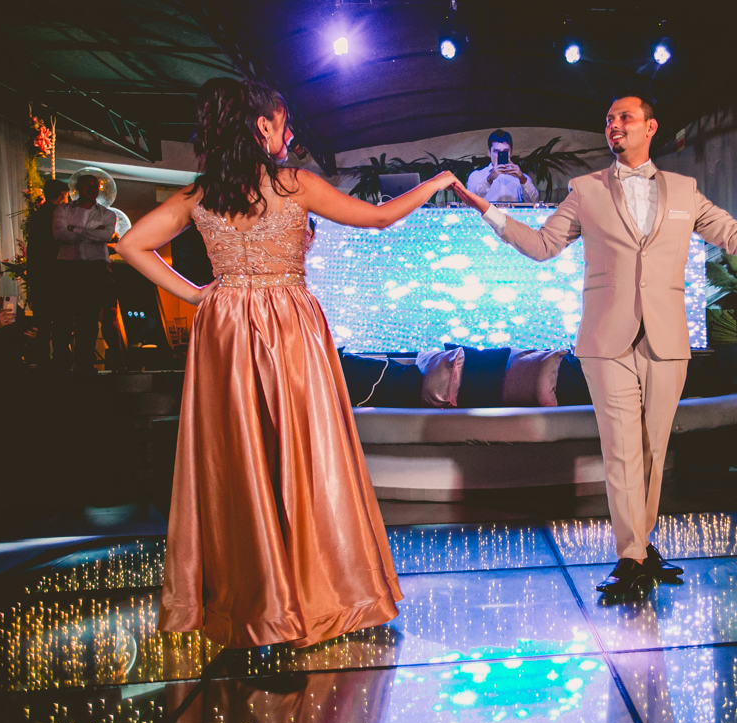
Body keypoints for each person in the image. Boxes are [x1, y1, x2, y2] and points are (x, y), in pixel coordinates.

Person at [454, 91, 737, 595]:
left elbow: (734, 235)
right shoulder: (585, 189)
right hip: (606, 339)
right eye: (608, 119)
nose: (614, 125)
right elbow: (542, 245)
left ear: (650, 127)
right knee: (621, 448)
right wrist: (485, 208)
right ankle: (631, 556)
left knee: (652, 448)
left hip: (666, 337)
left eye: (624, 117)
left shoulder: (685, 190)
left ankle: (640, 544)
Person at [117, 78, 461, 648]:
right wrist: (438, 181)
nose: (290, 132)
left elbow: (131, 244)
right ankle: (316, 592)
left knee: (239, 454)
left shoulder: (201, 194)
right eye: (283, 122)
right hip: (288, 325)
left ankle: (255, 598)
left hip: (225, 327)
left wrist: (199, 295)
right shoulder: (293, 184)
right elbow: (377, 218)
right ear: (262, 126)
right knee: (305, 449)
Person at [53, 173, 116, 374]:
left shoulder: (108, 214)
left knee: (89, 318)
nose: (91, 188)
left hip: (94, 269)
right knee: (63, 316)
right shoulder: (63, 209)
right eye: (87, 185)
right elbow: (60, 234)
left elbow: (106, 235)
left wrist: (76, 229)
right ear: (78, 188)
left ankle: (84, 363)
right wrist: (93, 233)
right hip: (68, 268)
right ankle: (61, 362)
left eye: (94, 185)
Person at [25, 179, 68, 366]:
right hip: (59, 279)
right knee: (61, 323)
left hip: (41, 279)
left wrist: (32, 285)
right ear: (62, 195)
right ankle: (60, 361)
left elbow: (33, 253)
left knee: (42, 323)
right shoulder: (59, 217)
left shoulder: (38, 216)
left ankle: (42, 362)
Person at [464, 129, 540, 203]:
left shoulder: (521, 177)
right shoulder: (477, 176)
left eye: (505, 151)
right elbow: (469, 202)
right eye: (496, 151)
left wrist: (522, 179)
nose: (500, 155)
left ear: (511, 153)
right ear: (489, 152)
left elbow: (534, 202)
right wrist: (489, 180)